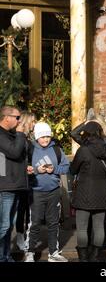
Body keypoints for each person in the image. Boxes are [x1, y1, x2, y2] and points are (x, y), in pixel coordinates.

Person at [24, 122, 70, 262]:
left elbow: (66, 166)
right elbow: (24, 169)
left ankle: (53, 253)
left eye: (47, 136)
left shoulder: (56, 149)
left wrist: (54, 170)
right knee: (35, 223)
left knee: (53, 222)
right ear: (36, 137)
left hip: (54, 191)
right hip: (36, 192)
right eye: (42, 137)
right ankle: (30, 251)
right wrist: (37, 170)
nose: (45, 139)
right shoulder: (30, 149)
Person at [70, 121, 106, 262]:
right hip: (102, 192)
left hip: (84, 192)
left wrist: (85, 124)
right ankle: (95, 256)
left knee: (82, 228)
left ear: (87, 133)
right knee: (99, 226)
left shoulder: (83, 150)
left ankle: (83, 258)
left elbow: (73, 170)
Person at [0, 106, 27, 263]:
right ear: (6, 118)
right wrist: (21, 133)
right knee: (3, 226)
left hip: (14, 185)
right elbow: (15, 152)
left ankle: (6, 256)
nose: (19, 121)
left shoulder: (10, 135)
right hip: (5, 186)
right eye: (17, 117)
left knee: (9, 226)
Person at [15, 111, 36, 252]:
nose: (34, 124)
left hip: (30, 179)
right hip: (20, 180)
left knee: (29, 210)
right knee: (21, 210)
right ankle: (19, 237)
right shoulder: (19, 138)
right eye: (33, 121)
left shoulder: (30, 139)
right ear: (27, 121)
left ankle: (26, 237)